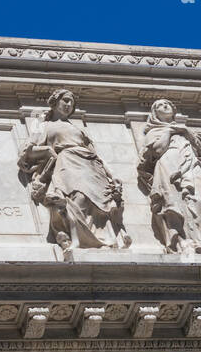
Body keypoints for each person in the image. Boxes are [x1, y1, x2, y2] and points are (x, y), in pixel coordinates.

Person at [18, 88, 130, 252]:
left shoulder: (79, 129)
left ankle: (101, 239)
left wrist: (112, 175)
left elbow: (96, 155)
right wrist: (48, 151)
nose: (69, 104)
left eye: (71, 102)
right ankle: (77, 239)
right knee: (77, 197)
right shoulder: (44, 126)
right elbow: (28, 151)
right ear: (55, 102)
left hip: (91, 165)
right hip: (67, 161)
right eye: (65, 100)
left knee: (98, 203)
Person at [137, 98, 201, 254]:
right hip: (169, 167)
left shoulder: (186, 131)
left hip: (192, 166)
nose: (165, 106)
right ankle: (188, 241)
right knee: (177, 203)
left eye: (167, 104)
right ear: (154, 114)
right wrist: (168, 131)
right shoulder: (155, 132)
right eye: (159, 105)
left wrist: (186, 132)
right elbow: (158, 150)